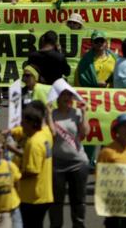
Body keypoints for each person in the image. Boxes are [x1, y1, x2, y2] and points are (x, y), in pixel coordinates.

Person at [47, 79, 89, 228]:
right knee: (56, 203)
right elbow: (51, 134)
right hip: (57, 164)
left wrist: (84, 114)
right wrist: (48, 115)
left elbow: (85, 134)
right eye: (64, 95)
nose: (67, 98)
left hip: (78, 163)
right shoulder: (52, 115)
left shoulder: (77, 113)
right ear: (57, 97)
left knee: (78, 202)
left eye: (70, 95)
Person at [14, 106, 54, 228]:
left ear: (31, 123)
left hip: (32, 197)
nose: (21, 125)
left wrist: (14, 177)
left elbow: (32, 171)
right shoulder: (44, 135)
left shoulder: (33, 143)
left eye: (23, 122)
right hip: (43, 194)